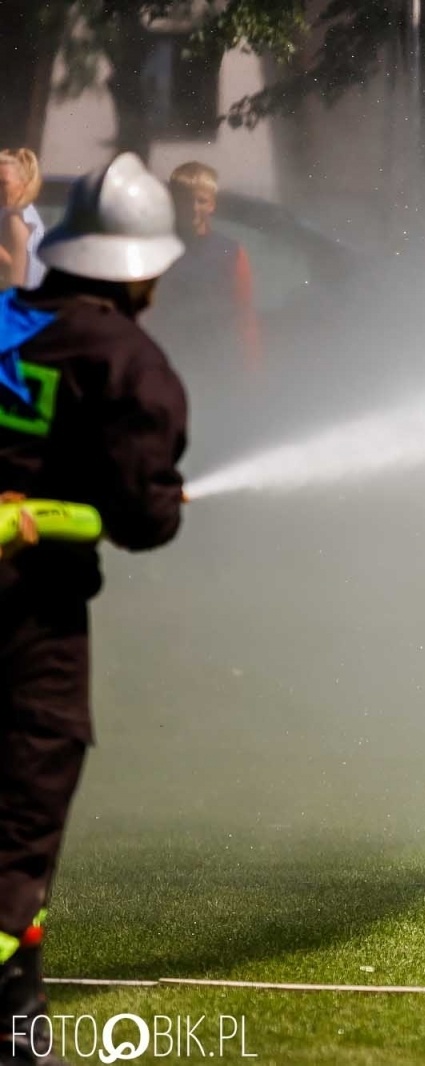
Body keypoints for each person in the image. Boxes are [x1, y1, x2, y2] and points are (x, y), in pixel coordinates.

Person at [0, 153, 187, 1064]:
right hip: (27, 626)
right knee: (16, 833)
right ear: (143, 269)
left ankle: (17, 1025)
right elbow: (145, 519)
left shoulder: (5, 324)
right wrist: (156, 497)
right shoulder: (125, 361)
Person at [157, 161, 262, 371]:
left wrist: (252, 370)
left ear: (212, 204)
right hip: (171, 360)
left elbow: (245, 315)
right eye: (185, 201)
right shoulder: (157, 251)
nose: (193, 209)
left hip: (219, 361)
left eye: (201, 201)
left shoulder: (231, 252)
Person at [0, 151, 46, 291]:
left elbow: (16, 281)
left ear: (24, 184)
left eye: (3, 183)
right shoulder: (26, 214)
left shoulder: (15, 220)